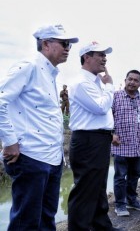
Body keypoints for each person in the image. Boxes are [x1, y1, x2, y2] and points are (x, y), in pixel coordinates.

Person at [0, 24, 78, 230]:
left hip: (51, 158)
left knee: (46, 218)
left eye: (69, 44)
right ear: (46, 44)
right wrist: (9, 141)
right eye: (64, 43)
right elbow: (0, 101)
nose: (68, 48)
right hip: (31, 157)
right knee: (26, 221)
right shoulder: (29, 67)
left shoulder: (50, 74)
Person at [67, 41, 119, 230]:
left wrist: (109, 133)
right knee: (85, 189)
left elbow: (102, 114)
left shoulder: (97, 82)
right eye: (100, 54)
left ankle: (101, 225)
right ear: (86, 58)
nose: (104, 58)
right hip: (88, 141)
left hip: (99, 138)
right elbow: (100, 107)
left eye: (105, 55)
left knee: (98, 186)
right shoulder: (81, 82)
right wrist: (110, 87)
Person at [111, 69, 140, 217]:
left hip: (138, 144)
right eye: (130, 79)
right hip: (121, 144)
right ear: (125, 80)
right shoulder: (116, 96)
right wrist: (112, 133)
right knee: (120, 176)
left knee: (135, 175)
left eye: (136, 80)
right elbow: (108, 117)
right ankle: (120, 205)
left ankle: (132, 200)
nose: (132, 82)